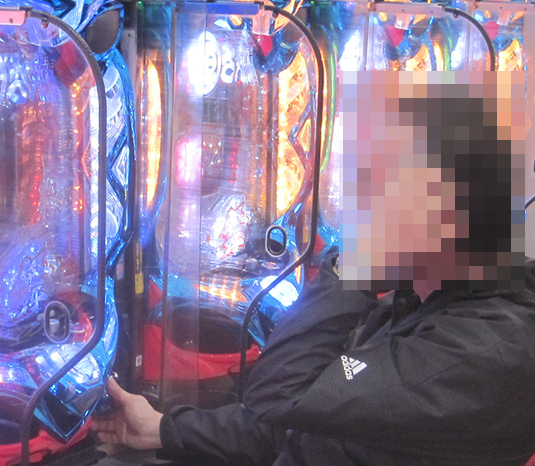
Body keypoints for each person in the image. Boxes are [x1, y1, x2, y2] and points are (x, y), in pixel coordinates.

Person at [93, 75, 535, 465]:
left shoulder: (481, 347)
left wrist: (354, 267)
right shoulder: (438, 301)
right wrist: (164, 430)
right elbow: (306, 423)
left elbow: (284, 394)